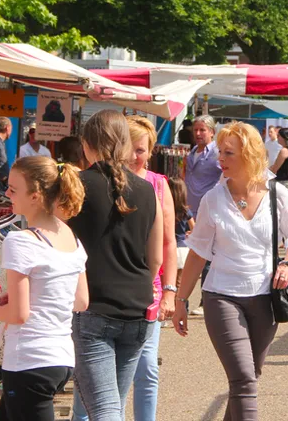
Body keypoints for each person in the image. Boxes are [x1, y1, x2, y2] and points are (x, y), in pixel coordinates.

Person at [171, 122, 288, 421]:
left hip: (264, 298)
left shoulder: (277, 194)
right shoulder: (213, 199)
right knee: (244, 380)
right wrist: (180, 301)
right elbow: (197, 253)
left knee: (248, 378)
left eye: (228, 153)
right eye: (219, 151)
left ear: (249, 155)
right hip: (222, 296)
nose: (220, 159)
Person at [68, 110, 163, 421]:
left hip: (94, 308)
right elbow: (156, 258)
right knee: (112, 407)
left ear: (86, 144)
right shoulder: (148, 189)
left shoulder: (77, 186)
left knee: (106, 410)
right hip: (138, 308)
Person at [0, 156, 88, 421]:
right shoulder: (70, 236)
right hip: (60, 357)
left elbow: (19, 315)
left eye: (13, 189)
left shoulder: (20, 241)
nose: (6, 194)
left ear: (36, 196)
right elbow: (81, 301)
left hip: (30, 361)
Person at [127, 116, 179, 421]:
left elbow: (169, 242)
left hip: (151, 289)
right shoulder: (110, 182)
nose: (136, 156)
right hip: (110, 288)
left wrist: (170, 292)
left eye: (142, 150)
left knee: (146, 368)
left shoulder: (159, 184)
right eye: (131, 149)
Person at [185, 114, 223, 316]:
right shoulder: (193, 152)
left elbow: (225, 176)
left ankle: (205, 302)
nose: (198, 134)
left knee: (207, 256)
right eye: (196, 130)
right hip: (190, 210)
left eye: (202, 130)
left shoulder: (217, 152)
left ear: (212, 132)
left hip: (208, 211)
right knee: (191, 253)